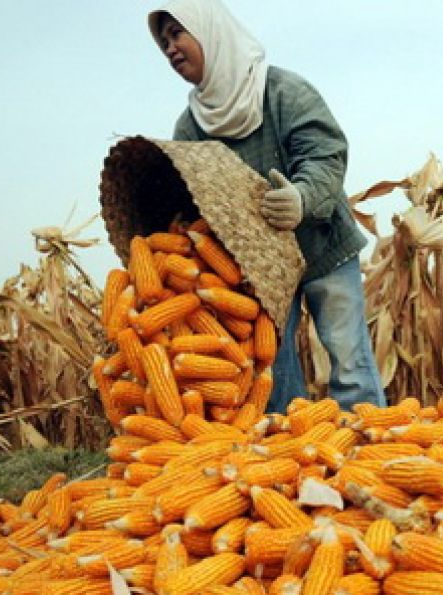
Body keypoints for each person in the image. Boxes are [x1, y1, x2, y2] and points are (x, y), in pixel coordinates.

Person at [148, 0, 387, 413]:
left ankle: (368, 450)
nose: (169, 48)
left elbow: (324, 155)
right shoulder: (190, 127)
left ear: (210, 34)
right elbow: (189, 203)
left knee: (348, 360)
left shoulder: (282, 92)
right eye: (163, 40)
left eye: (178, 34)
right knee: (271, 368)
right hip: (260, 270)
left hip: (322, 245)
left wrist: (302, 197)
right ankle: (293, 452)